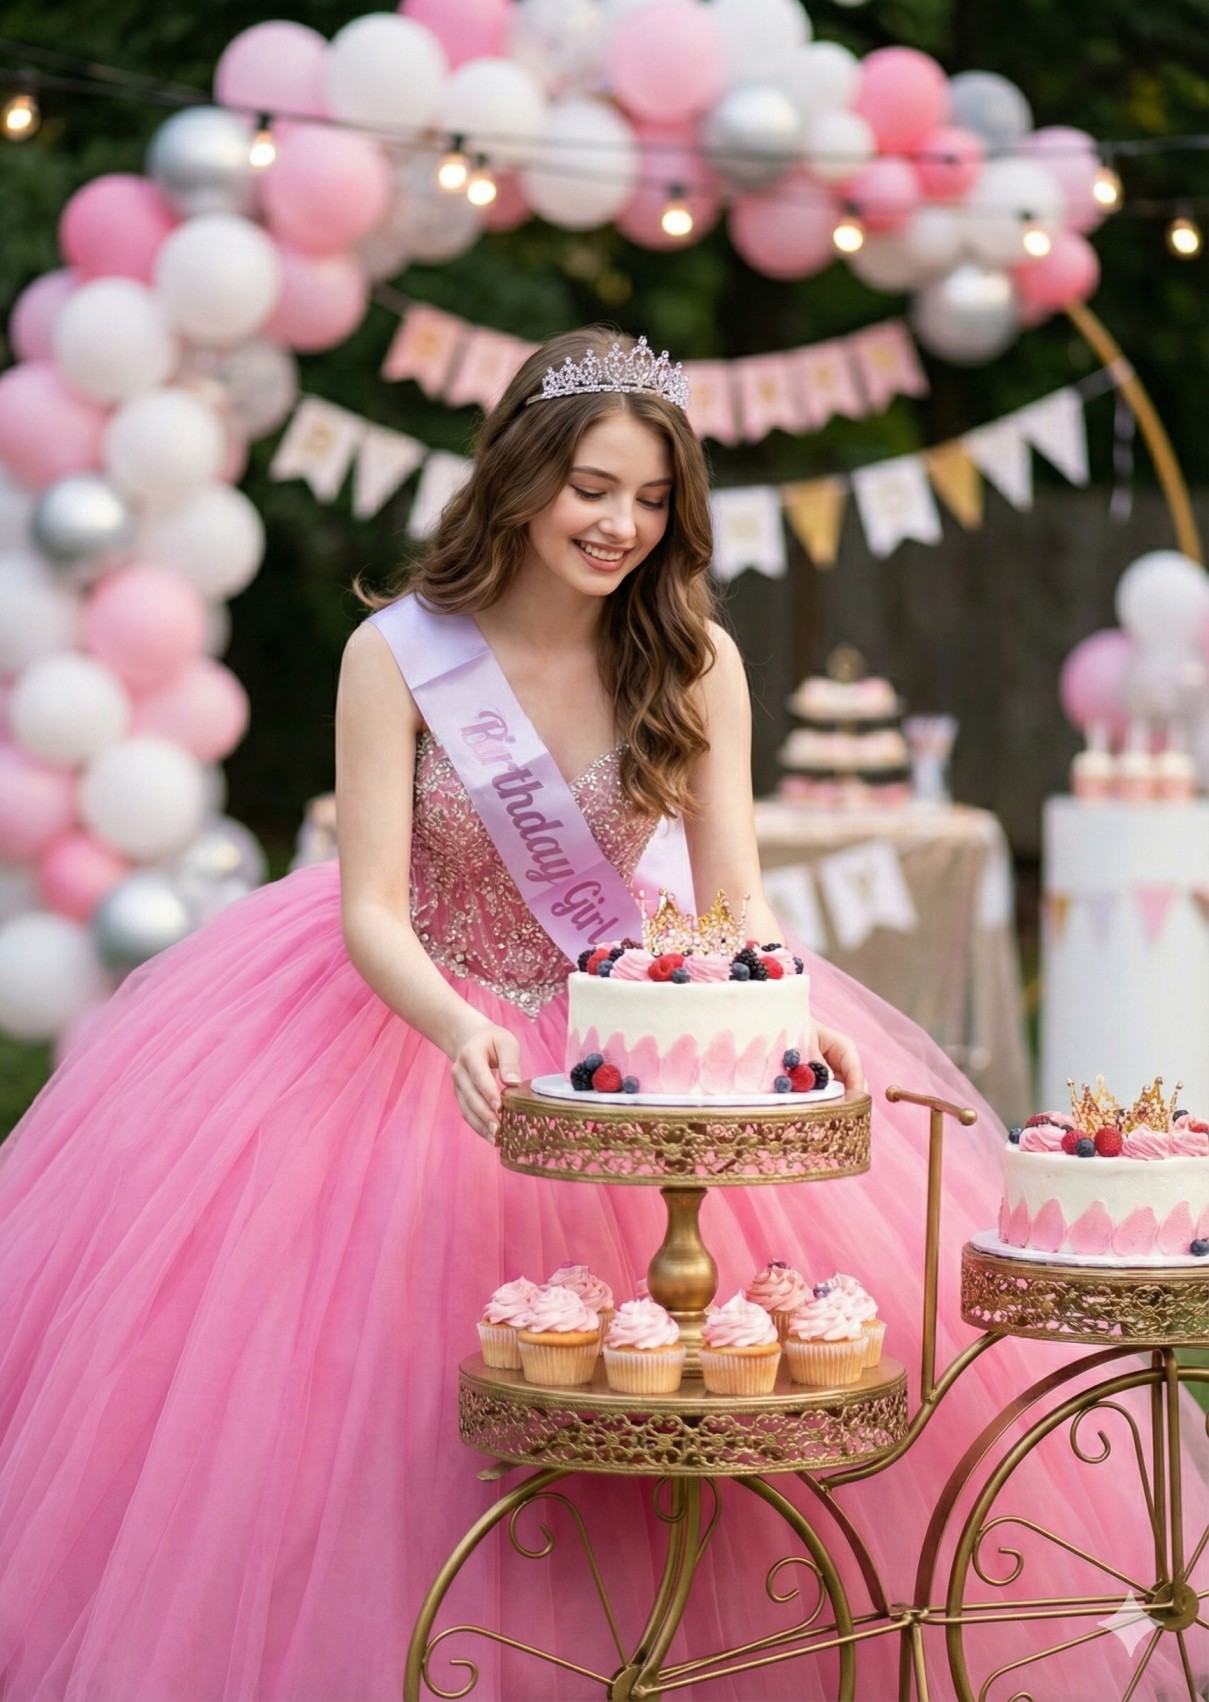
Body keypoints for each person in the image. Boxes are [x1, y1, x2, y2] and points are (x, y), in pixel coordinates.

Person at [0, 328, 1196, 1702]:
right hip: (393, 1038)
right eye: (592, 488)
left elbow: (732, 903)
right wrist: (452, 1029)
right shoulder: (397, 656)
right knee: (359, 1406)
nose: (620, 524)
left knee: (678, 1382)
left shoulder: (690, 661)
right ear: (517, 477)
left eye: (649, 500)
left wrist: (789, 1009)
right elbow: (368, 905)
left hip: (623, 1045)